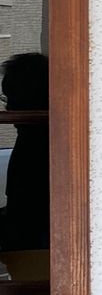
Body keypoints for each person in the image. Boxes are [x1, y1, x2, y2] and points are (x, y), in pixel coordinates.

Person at [0, 52, 49, 252]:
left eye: (12, 98)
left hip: (34, 259)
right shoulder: (34, 137)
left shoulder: (36, 144)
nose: (9, 108)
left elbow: (25, 219)